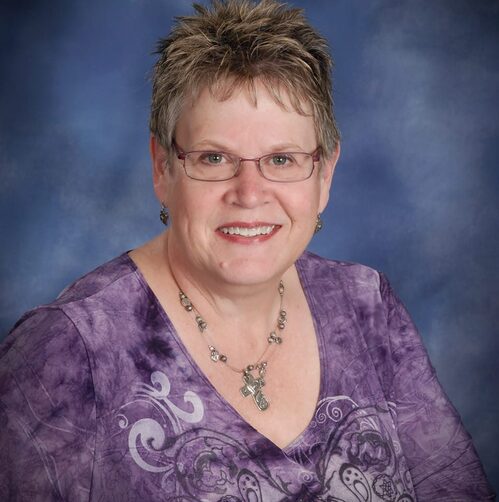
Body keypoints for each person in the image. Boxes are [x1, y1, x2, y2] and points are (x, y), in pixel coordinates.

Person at [0, 1, 495, 500]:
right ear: (162, 168)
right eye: (214, 158)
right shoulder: (69, 351)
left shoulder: (367, 307)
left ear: (324, 174)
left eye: (281, 159)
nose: (250, 193)